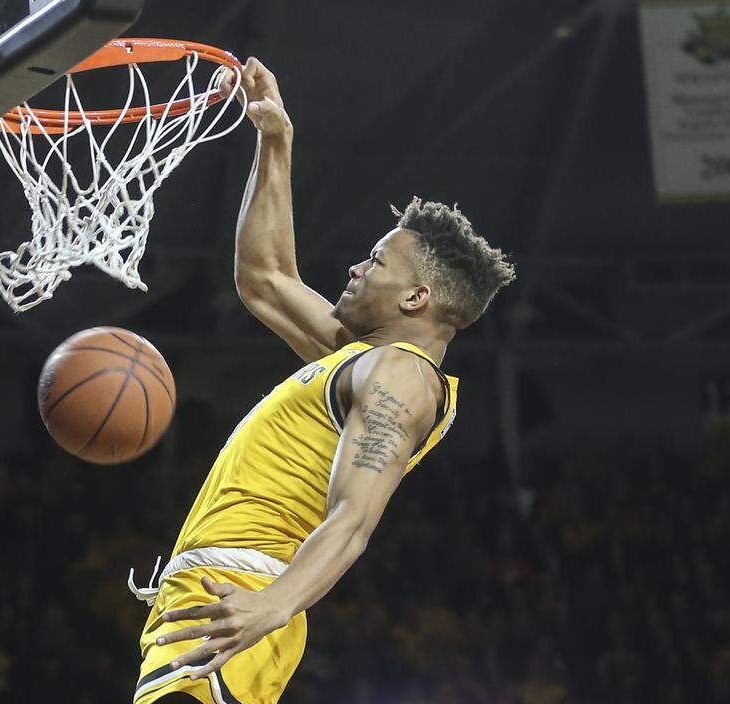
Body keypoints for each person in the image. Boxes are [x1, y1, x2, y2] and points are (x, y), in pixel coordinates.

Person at [128, 57, 516, 704]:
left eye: (377, 260)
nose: (358, 267)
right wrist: (275, 140)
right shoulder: (358, 356)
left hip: (243, 591)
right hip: (219, 590)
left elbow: (355, 518)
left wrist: (272, 605)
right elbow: (266, 279)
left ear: (417, 297)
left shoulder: (400, 376)